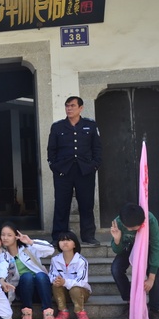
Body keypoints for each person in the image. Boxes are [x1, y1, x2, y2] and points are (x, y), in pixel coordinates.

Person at [47, 96, 102, 245]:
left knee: (86, 204)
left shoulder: (90, 125)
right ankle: (58, 236)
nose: (69, 109)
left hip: (85, 171)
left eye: (72, 106)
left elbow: (97, 148)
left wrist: (94, 165)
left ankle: (88, 236)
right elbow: (51, 150)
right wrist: (54, 166)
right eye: (67, 106)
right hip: (63, 171)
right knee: (61, 204)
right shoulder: (57, 127)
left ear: (80, 108)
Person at [110, 203, 159, 319]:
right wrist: (117, 239)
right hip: (129, 246)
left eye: (134, 228)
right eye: (128, 228)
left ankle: (154, 310)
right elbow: (117, 250)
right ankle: (131, 303)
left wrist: (151, 278)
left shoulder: (150, 220)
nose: (130, 230)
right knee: (116, 269)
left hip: (148, 246)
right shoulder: (119, 222)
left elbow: (156, 247)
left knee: (156, 276)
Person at [0, 222, 56, 319]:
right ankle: (26, 313)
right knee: (27, 276)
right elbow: (1, 269)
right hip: (22, 290)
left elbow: (50, 249)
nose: (5, 238)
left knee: (41, 275)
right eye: (3, 235)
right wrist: (2, 280)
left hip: (41, 288)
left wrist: (31, 242)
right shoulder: (3, 255)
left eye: (9, 235)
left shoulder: (28, 248)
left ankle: (48, 313)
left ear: (16, 236)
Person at [48, 231, 92, 319]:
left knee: (75, 289)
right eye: (62, 240)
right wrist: (56, 280)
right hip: (63, 294)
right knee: (56, 285)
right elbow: (51, 275)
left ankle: (80, 311)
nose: (65, 242)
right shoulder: (55, 260)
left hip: (81, 294)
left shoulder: (81, 261)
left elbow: (82, 281)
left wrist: (65, 282)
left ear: (74, 244)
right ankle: (63, 311)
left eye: (68, 240)